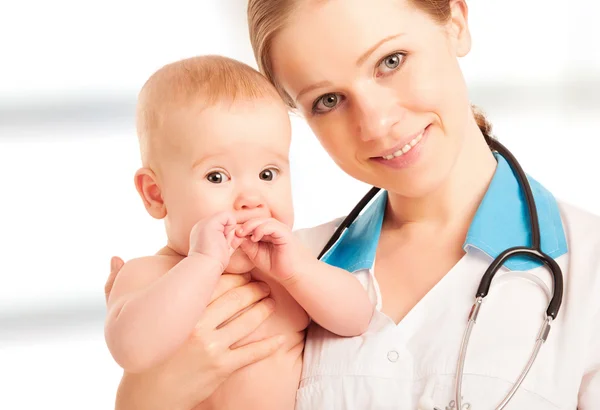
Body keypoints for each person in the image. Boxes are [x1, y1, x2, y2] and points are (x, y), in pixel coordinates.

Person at [107, 0, 600, 408]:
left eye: (391, 61)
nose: (376, 123)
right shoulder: (282, 265)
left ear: (455, 20)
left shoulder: (589, 270)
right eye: (327, 100)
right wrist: (150, 391)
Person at [104, 55, 373, 410]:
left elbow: (357, 318)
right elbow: (132, 350)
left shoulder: (288, 271)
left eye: (267, 174)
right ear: (156, 194)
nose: (251, 199)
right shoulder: (151, 275)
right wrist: (202, 262)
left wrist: (300, 271)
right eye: (217, 176)